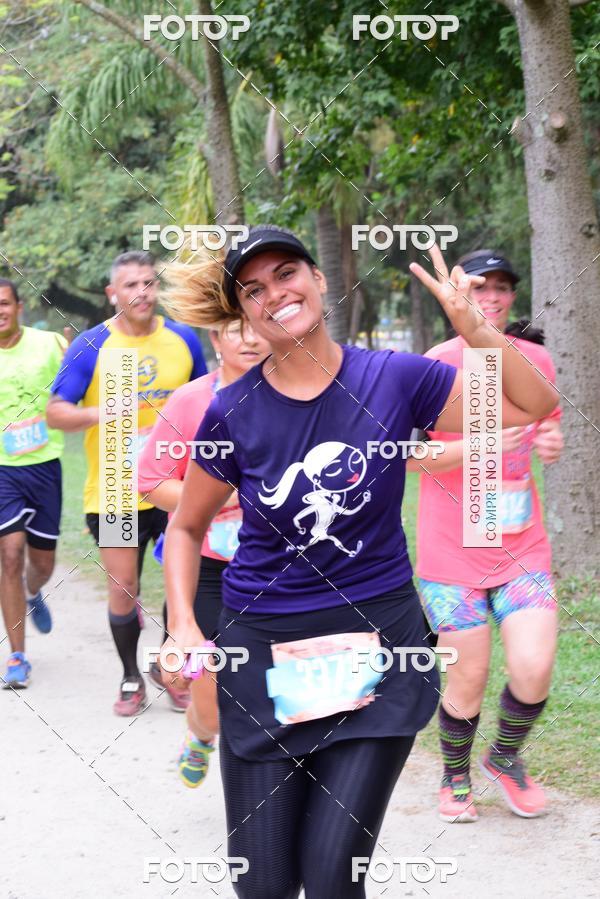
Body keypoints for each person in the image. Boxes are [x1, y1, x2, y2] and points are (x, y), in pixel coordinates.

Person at [159, 225, 558, 899]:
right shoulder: (233, 409)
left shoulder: (394, 377)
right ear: (243, 313)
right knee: (262, 885)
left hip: (376, 646)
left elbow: (531, 402)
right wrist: (181, 623)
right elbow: (188, 523)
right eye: (253, 290)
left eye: (286, 273)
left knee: (333, 872)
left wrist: (474, 328)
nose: (274, 294)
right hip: (263, 654)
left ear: (317, 279)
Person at [408, 249, 564, 822]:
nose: (492, 297)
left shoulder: (536, 358)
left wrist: (549, 443)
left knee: (534, 666)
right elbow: (408, 455)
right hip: (452, 553)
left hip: (521, 546)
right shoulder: (435, 364)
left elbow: (545, 424)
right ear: (459, 294)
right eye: (481, 287)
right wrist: (474, 447)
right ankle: (454, 776)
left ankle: (505, 757)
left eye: (502, 288)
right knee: (467, 675)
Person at [46, 251, 207, 716]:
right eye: (131, 285)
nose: (142, 292)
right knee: (124, 587)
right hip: (117, 486)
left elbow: (207, 397)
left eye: (149, 283)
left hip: (176, 483)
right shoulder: (93, 345)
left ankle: (166, 667)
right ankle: (130, 676)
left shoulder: (182, 338)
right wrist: (104, 412)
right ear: (112, 293)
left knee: (187, 585)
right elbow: (57, 412)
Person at [138, 316, 270, 786]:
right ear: (216, 339)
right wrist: (220, 495)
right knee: (212, 709)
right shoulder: (193, 400)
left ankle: (269, 792)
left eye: (259, 326)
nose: (252, 338)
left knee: (272, 691)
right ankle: (200, 734)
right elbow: (151, 482)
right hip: (209, 569)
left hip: (280, 568)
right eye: (237, 328)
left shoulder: (299, 394)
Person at [0, 278, 67, 687]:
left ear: (19, 307)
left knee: (41, 563)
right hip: (2, 469)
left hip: (45, 466)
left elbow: (79, 381)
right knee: (8, 555)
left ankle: (32, 590)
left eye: (5, 304)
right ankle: (17, 657)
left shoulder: (49, 345)